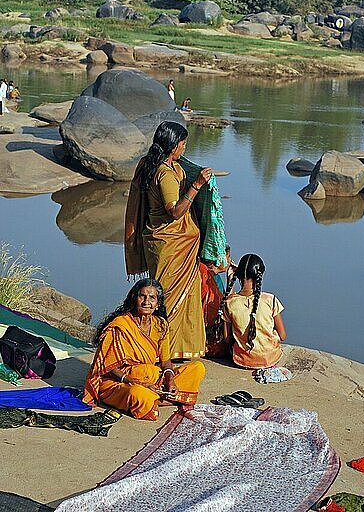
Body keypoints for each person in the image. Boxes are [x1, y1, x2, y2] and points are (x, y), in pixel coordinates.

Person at [125, 121, 213, 360]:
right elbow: (174, 211)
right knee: (165, 299)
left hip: (167, 242)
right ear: (173, 145)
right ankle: (159, 350)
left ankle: (173, 348)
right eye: (183, 144)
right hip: (171, 244)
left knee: (172, 296)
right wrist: (196, 186)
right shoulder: (163, 173)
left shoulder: (153, 164)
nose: (185, 148)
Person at [83, 279, 206, 421]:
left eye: (152, 298)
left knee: (197, 368)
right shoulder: (120, 325)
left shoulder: (161, 325)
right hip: (120, 383)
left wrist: (170, 380)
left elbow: (166, 361)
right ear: (135, 298)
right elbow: (107, 366)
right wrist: (137, 383)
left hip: (151, 379)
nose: (146, 301)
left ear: (158, 304)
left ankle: (160, 396)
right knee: (138, 394)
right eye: (142, 296)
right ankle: (164, 398)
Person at [217, 253, 286, 369]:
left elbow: (227, 339)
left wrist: (230, 280)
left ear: (238, 275)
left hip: (242, 360)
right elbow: (282, 336)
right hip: (270, 359)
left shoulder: (230, 304)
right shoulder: (270, 300)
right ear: (259, 276)